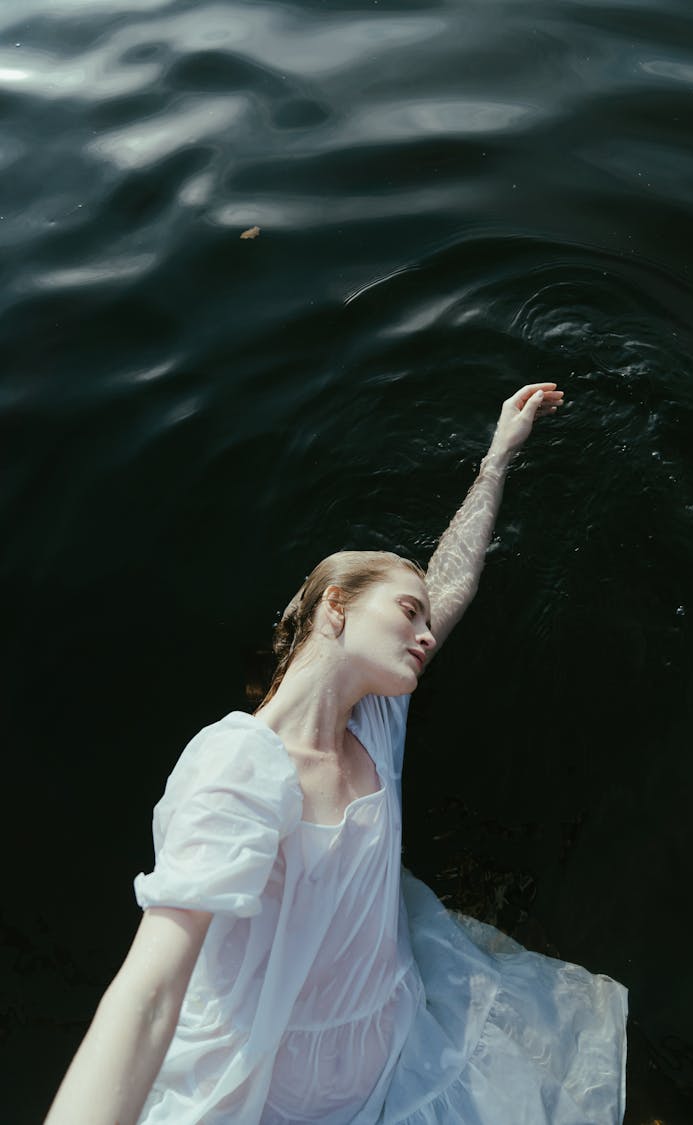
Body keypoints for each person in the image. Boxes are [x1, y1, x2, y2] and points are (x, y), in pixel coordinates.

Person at [44, 382, 627, 1125]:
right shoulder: (240, 765)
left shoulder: (375, 722)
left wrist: (497, 457)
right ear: (336, 605)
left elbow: (451, 579)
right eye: (406, 611)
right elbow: (151, 989)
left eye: (424, 618)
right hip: (271, 1097)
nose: (425, 631)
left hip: (398, 1048)